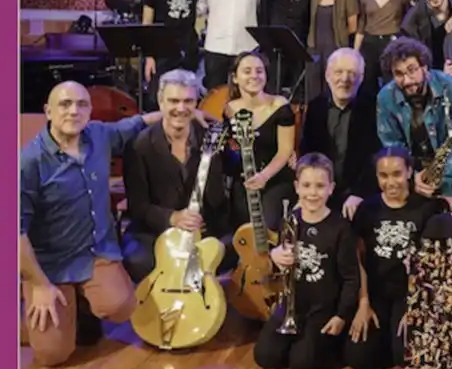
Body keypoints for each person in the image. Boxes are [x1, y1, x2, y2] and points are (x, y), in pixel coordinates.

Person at [20, 82, 179, 367]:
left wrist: (181, 113)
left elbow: (137, 122)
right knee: (51, 355)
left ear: (90, 110)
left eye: (82, 104)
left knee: (121, 306)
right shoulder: (28, 162)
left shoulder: (98, 135)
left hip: (96, 251)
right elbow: (14, 234)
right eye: (65, 104)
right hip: (50, 266)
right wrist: (39, 284)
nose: (74, 111)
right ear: (48, 111)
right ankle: (35, 316)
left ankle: (81, 306)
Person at [122, 70, 235, 283]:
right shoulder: (140, 145)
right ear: (161, 102)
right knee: (138, 260)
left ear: (196, 103)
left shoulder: (211, 137)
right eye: (174, 101)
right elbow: (138, 206)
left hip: (204, 229)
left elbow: (234, 172)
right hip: (156, 230)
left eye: (188, 101)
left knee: (233, 249)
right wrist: (173, 218)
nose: (181, 108)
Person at [253, 154, 360, 369]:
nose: (312, 193)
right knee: (265, 356)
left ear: (331, 188)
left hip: (323, 308)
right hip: (293, 304)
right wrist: (275, 255)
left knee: (302, 364)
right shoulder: (289, 220)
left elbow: (351, 278)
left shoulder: (340, 228)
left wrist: (341, 315)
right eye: (307, 185)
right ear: (296, 187)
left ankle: (325, 346)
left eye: (320, 186)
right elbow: (282, 262)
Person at [345, 147, 444, 369]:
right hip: (376, 292)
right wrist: (363, 302)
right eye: (384, 175)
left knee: (406, 356)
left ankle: (393, 343)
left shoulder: (426, 209)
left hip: (408, 294)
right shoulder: (367, 209)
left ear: (409, 172)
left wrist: (416, 306)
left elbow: (432, 264)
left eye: (397, 174)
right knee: (359, 358)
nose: (391, 182)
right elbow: (357, 258)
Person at [376, 38, 452, 201]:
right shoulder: (385, 97)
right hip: (413, 173)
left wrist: (448, 188)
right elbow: (392, 145)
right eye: (399, 74)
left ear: (424, 67)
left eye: (411, 70)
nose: (407, 80)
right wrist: (412, 177)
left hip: (451, 170)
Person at [299, 48, 380, 216]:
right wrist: (306, 193)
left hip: (360, 195)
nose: (345, 79)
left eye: (352, 73)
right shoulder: (316, 107)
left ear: (361, 78)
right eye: (339, 72)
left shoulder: (373, 107)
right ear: (327, 76)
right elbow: (309, 153)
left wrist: (359, 193)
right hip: (322, 192)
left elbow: (374, 158)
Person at [224, 51, 296, 233]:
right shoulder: (229, 109)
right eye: (247, 71)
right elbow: (230, 145)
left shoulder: (280, 105)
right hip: (244, 181)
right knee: (241, 232)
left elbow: (285, 150)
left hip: (275, 179)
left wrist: (264, 176)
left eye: (259, 71)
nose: (254, 76)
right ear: (235, 78)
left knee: (265, 229)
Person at [140, 0, 200, 111]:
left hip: (188, 50)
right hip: (161, 52)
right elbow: (146, 26)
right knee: (158, 98)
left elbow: (201, 16)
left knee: (187, 95)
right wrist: (149, 57)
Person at [258, 0, 318, 95]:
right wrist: (266, 48)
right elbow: (263, 18)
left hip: (300, 52)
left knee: (298, 95)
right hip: (275, 53)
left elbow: (312, 21)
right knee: (272, 93)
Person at [354, 0, 412, 101]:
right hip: (369, 45)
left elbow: (407, 25)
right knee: (367, 91)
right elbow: (361, 26)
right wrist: (355, 54)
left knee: (393, 89)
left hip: (392, 45)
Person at [306, 0, 360, 100]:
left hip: (336, 48)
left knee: (332, 90)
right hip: (315, 49)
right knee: (313, 91)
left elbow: (353, 27)